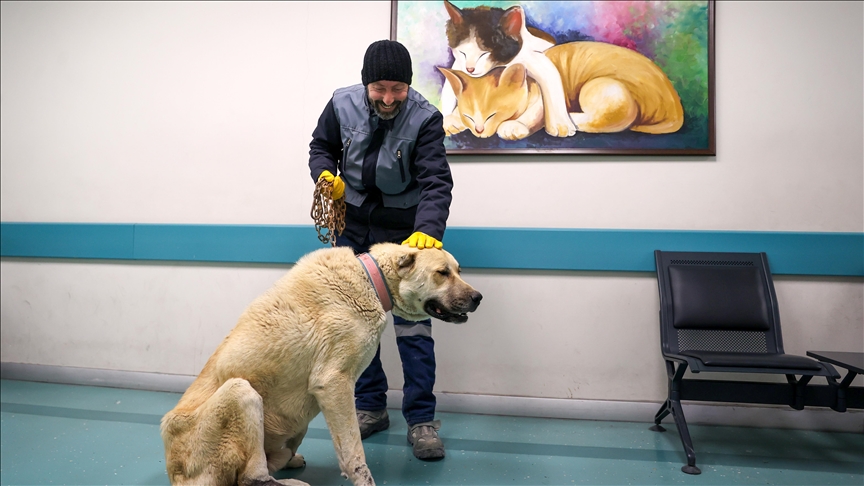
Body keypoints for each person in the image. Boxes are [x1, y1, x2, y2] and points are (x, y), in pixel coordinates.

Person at [308, 39, 453, 461]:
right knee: (357, 327)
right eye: (380, 88)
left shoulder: (426, 118)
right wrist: (324, 175)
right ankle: (371, 407)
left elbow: (436, 181)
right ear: (366, 83)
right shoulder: (340, 105)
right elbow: (321, 147)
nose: (388, 98)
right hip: (351, 224)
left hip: (406, 233)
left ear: (408, 86)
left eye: (398, 89)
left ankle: (421, 420)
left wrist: (427, 230)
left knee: (414, 329)